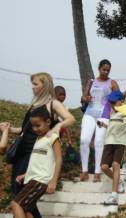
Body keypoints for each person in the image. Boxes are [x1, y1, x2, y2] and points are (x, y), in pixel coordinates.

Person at [7, 72, 75, 218]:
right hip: (22, 153)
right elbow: (25, 129)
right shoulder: (34, 105)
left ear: (45, 85)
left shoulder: (53, 103)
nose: (32, 87)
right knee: (25, 202)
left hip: (35, 154)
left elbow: (70, 118)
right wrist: (9, 129)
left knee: (20, 200)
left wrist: (58, 127)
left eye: (35, 84)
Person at [11, 106, 62, 218]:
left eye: (37, 125)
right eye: (33, 126)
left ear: (48, 121)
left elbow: (59, 159)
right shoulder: (39, 139)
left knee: (16, 204)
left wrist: (54, 181)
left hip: (41, 180)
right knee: (25, 210)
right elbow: (37, 162)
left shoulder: (52, 137)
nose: (35, 129)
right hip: (33, 179)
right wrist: (25, 175)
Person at [80, 59, 119, 182]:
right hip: (90, 113)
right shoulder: (92, 81)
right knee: (84, 140)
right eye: (104, 69)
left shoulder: (112, 83)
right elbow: (83, 96)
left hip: (104, 114)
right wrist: (86, 98)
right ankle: (84, 171)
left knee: (98, 142)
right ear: (99, 68)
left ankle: (97, 172)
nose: (106, 72)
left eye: (108, 70)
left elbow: (119, 99)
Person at [100, 91, 126, 205]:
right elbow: (114, 126)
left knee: (116, 165)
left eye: (113, 102)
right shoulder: (112, 112)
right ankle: (119, 181)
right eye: (110, 102)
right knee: (104, 167)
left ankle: (114, 195)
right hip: (108, 142)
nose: (111, 104)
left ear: (121, 101)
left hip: (120, 142)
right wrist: (103, 125)